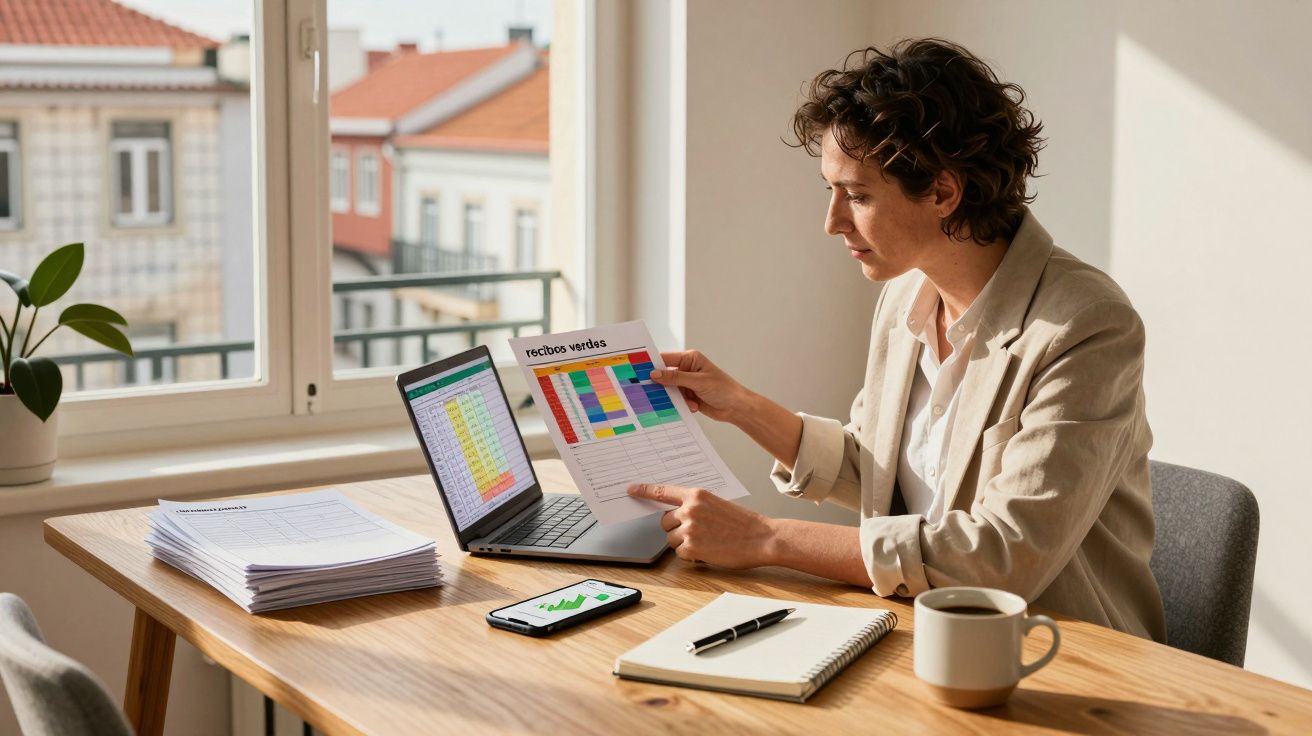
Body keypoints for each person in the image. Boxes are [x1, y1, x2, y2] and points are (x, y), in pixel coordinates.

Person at [626, 38, 1166, 641]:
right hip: (923, 630)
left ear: (942, 192)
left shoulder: (1086, 326)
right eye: (830, 191)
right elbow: (883, 473)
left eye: (857, 196)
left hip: (1059, 653)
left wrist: (765, 537)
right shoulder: (906, 295)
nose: (832, 222)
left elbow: (1003, 556)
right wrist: (741, 406)